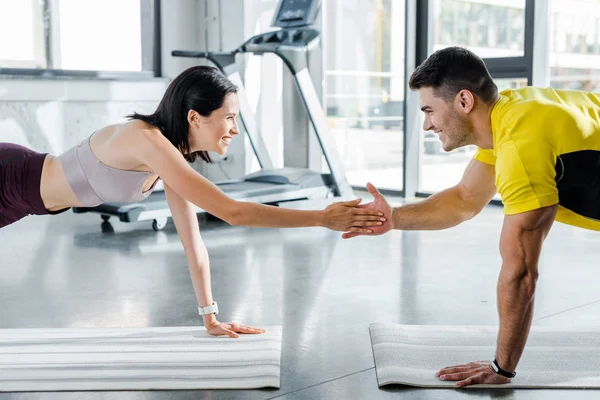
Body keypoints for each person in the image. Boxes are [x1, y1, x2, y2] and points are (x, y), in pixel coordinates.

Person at [0, 65, 387, 338]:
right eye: (229, 118)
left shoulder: (168, 157)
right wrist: (320, 218)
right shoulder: (144, 139)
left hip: (21, 201)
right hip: (8, 176)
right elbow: (231, 211)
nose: (235, 129)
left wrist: (211, 318)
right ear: (195, 117)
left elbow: (193, 243)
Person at [343, 46, 600, 387]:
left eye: (430, 110)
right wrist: (394, 217)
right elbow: (465, 199)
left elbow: (521, 272)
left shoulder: (522, 142)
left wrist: (501, 368)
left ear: (464, 101)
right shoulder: (510, 117)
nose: (426, 124)